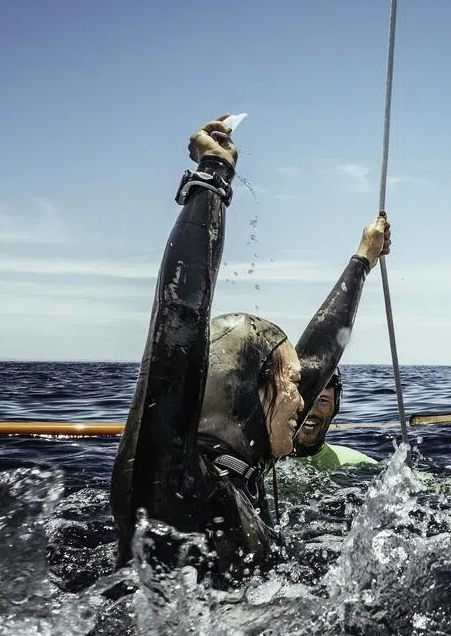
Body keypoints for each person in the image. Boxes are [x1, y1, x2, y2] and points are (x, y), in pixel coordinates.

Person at [110, 116, 391, 586]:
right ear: (251, 393)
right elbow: (180, 312)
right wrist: (213, 176)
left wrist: (363, 259)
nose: (304, 397)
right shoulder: (169, 476)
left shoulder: (245, 468)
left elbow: (319, 356)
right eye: (292, 383)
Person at [291, 367, 378, 468]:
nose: (310, 411)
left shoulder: (359, 465)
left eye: (322, 400)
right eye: (301, 398)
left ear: (335, 408)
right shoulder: (272, 463)